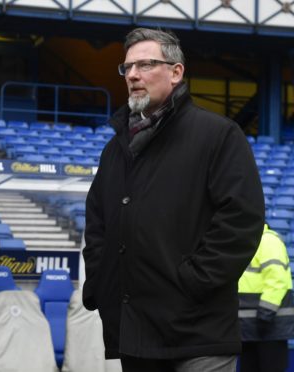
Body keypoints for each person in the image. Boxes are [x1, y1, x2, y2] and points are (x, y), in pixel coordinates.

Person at [82, 27, 265, 372]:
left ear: (176, 72)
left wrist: (191, 283)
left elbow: (242, 220)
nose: (133, 75)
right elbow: (98, 225)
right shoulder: (115, 150)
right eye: (127, 68)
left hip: (199, 334)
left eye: (146, 64)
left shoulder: (218, 135)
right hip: (135, 334)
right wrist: (100, 284)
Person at [238, 224, 294, 372]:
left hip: (268, 326)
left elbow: (277, 281)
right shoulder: (245, 243)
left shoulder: (268, 241)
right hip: (248, 327)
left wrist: (264, 314)